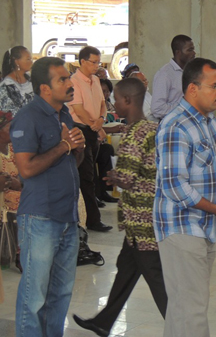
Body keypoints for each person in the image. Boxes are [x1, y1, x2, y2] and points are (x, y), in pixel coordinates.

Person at [73, 78, 166, 337]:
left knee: (156, 279)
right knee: (126, 270)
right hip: (148, 216)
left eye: (115, 98)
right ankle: (104, 321)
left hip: (141, 221)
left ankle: (181, 326)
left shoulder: (135, 132)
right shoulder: (151, 127)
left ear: (127, 100)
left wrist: (114, 176)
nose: (112, 102)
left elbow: (127, 177)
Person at [154, 57, 216, 337]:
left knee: (183, 308)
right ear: (192, 89)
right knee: (193, 310)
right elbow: (174, 185)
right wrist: (215, 208)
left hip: (205, 226)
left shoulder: (210, 122)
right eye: (214, 86)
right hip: (182, 226)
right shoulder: (175, 126)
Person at [11, 56, 86, 337]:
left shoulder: (64, 114)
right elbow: (26, 168)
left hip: (67, 216)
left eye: (69, 78)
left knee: (61, 294)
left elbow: (68, 164)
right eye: (62, 80)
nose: (70, 84)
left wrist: (76, 149)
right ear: (44, 88)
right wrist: (64, 146)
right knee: (34, 296)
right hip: (40, 217)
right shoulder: (28, 117)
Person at [69, 46, 112, 232]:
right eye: (93, 62)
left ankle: (89, 214)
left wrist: (100, 122)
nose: (96, 66)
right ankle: (93, 220)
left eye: (98, 62)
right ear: (83, 62)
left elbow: (103, 104)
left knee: (90, 174)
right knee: (86, 176)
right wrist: (93, 125)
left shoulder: (95, 80)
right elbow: (78, 109)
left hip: (94, 128)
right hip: (80, 129)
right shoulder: (74, 81)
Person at [151, 34, 196, 120]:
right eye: (189, 50)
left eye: (193, 49)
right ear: (178, 52)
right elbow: (157, 109)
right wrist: (183, 108)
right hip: (172, 124)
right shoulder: (165, 74)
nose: (193, 53)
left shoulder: (189, 71)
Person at [0, 110, 23, 273]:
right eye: (9, 127)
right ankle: (18, 252)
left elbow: (25, 170)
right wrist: (9, 182)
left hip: (19, 188)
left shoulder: (14, 147)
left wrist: (19, 182)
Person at [0, 46, 34, 116]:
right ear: (17, 62)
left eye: (31, 59)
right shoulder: (6, 86)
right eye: (28, 59)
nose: (31, 61)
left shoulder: (31, 79)